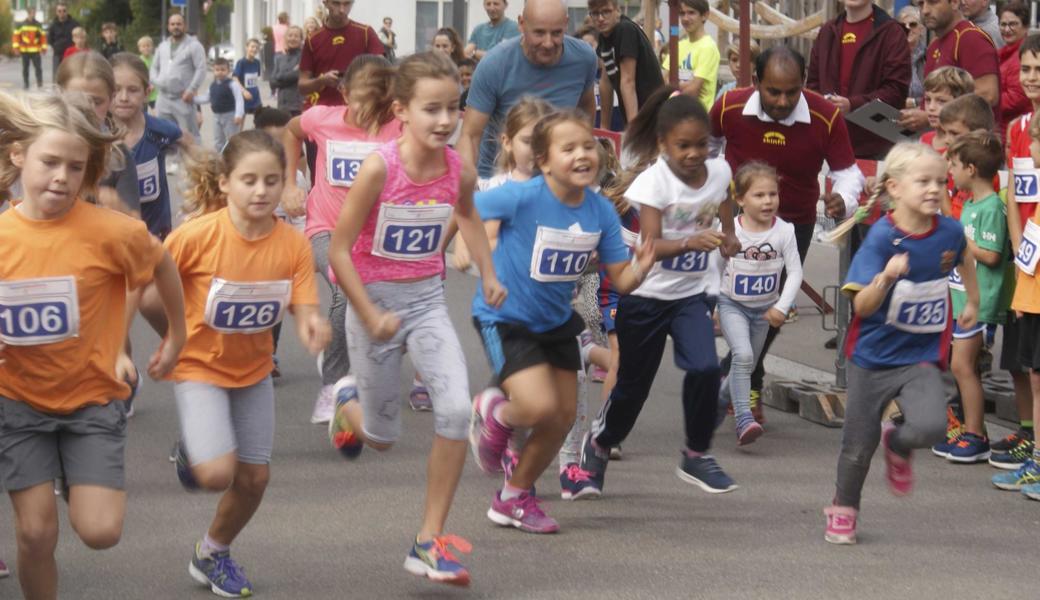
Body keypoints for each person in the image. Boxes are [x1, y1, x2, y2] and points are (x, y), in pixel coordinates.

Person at [0, 90, 187, 600]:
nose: (62, 176)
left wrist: (178, 333)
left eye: (76, 166)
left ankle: (72, 472)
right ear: (19, 155)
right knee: (36, 533)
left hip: (91, 400)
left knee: (101, 532)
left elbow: (162, 264)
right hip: (18, 403)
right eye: (50, 162)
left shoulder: (112, 232)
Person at [326, 52, 504, 584]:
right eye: (432, 109)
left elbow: (468, 215)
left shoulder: (459, 168)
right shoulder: (380, 167)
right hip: (372, 303)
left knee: (454, 412)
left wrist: (489, 273)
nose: (446, 121)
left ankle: (428, 542)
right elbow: (338, 252)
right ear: (402, 110)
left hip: (426, 301)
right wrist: (368, 312)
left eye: (454, 108)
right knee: (381, 437)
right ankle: (345, 403)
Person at [469, 108, 653, 532]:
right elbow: (466, 210)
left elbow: (620, 279)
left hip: (556, 320)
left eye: (588, 145)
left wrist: (643, 265)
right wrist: (486, 267)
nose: (582, 154)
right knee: (536, 406)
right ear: (544, 160)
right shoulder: (522, 196)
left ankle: (512, 498)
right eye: (567, 148)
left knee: (563, 417)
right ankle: (494, 414)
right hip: (505, 316)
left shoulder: (602, 213)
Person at [167, 130, 329, 598]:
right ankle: (193, 450)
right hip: (199, 366)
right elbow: (149, 278)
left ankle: (212, 552)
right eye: (249, 180)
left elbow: (304, 306)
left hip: (253, 371)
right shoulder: (197, 236)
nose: (261, 191)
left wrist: (312, 327)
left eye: (272, 181)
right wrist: (169, 334)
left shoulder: (292, 245)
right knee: (216, 473)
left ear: (285, 184)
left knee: (255, 477)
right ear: (224, 184)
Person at [578, 87, 739, 496]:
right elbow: (649, 246)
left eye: (701, 144)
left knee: (704, 367)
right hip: (646, 298)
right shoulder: (654, 183)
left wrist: (730, 235)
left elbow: (724, 201)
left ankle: (696, 454)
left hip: (688, 297)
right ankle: (600, 441)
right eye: (682, 146)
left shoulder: (719, 171)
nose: (692, 154)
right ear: (664, 144)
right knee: (632, 389)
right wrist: (690, 242)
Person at [823, 142, 980, 544]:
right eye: (923, 181)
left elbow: (964, 256)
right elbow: (861, 304)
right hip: (872, 357)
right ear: (894, 187)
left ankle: (900, 441)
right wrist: (887, 278)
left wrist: (972, 300)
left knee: (930, 426)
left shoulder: (947, 229)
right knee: (858, 446)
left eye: (941, 182)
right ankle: (844, 507)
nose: (934, 189)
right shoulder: (880, 239)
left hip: (922, 354)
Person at [710, 46, 864, 411]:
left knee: (774, 304)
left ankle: (737, 375)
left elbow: (848, 173)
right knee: (738, 300)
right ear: (756, 82)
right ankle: (747, 382)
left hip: (794, 222)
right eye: (773, 91)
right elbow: (707, 148)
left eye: (791, 92)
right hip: (736, 220)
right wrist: (712, 201)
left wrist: (844, 198)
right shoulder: (729, 105)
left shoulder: (826, 116)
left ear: (804, 83)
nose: (782, 101)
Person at [281, 55, 401, 424]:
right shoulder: (322, 119)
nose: (372, 110)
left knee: (369, 303)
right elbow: (290, 130)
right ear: (345, 93)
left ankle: (355, 369)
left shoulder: (396, 128)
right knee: (344, 286)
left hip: (372, 236)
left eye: (382, 102)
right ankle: (333, 386)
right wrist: (290, 183)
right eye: (365, 99)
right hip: (325, 229)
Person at [930, 131, 1011, 466]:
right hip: (962, 299)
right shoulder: (972, 205)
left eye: (955, 165)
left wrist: (962, 243)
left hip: (980, 303)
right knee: (960, 366)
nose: (952, 172)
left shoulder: (991, 207)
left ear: (973, 169)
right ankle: (970, 431)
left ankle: (976, 435)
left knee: (963, 367)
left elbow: (991, 255)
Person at [459, 0, 598, 180]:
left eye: (556, 33)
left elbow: (586, 109)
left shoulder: (584, 58)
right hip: (500, 177)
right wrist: (467, 190)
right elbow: (470, 136)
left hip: (558, 177)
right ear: (522, 24)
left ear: (566, 23)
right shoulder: (494, 65)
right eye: (539, 33)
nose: (548, 43)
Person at [716, 161, 802, 445]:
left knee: (748, 365)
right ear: (740, 199)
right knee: (742, 356)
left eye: (773, 194)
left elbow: (795, 273)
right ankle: (744, 419)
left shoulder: (785, 231)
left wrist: (781, 306)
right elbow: (713, 269)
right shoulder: (730, 230)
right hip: (732, 305)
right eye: (759, 195)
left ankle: (717, 399)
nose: (768, 201)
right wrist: (714, 306)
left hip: (763, 310)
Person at [992, 36, 1040, 471]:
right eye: (1026, 70)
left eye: (1038, 70)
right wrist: (1021, 249)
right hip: (1025, 256)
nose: (1031, 78)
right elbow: (1013, 197)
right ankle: (1028, 432)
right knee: (1020, 355)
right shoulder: (1015, 128)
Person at [452, 97, 554, 269]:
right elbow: (467, 210)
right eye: (528, 141)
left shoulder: (559, 189)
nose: (536, 149)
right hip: (505, 283)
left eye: (543, 142)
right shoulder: (498, 187)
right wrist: (461, 246)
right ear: (507, 142)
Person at [806, 0, 911, 160]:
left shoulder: (891, 32)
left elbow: (896, 91)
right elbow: (813, 85)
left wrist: (853, 105)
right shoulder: (827, 31)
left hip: (875, 147)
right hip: (829, 144)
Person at [112, 52, 192, 239]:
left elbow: (193, 149)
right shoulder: (95, 136)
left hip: (156, 240)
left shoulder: (160, 131)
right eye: (116, 89)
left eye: (133, 90)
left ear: (147, 93)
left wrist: (197, 189)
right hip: (110, 241)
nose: (123, 97)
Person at [57, 51, 142, 218]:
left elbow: (136, 225)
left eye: (96, 102)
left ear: (111, 99)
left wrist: (119, 207)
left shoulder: (117, 155)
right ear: (59, 95)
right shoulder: (38, 145)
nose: (85, 109)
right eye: (75, 100)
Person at [899, 0, 998, 132]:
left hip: (970, 146)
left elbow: (988, 96)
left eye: (933, 2)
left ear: (955, 3)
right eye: (921, 4)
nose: (925, 10)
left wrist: (930, 117)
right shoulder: (934, 45)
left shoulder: (970, 37)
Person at [587, 0, 665, 129]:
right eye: (595, 13)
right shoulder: (604, 37)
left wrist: (633, 128)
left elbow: (628, 81)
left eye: (606, 12)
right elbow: (605, 82)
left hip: (652, 114)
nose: (600, 18)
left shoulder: (625, 29)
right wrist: (604, 127)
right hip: (637, 114)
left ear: (617, 10)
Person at [298, 0, 386, 111]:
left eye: (347, 4)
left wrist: (358, 79)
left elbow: (382, 72)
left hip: (357, 110)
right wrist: (321, 80)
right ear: (325, 3)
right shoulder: (312, 39)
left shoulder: (366, 32)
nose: (342, 10)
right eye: (336, 3)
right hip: (322, 112)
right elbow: (302, 86)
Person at [151, 13, 207, 143]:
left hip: (183, 99)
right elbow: (154, 67)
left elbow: (201, 69)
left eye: (179, 24)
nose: (176, 27)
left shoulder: (194, 45)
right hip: (163, 99)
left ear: (184, 26)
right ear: (168, 26)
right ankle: (170, 162)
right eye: (172, 24)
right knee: (163, 134)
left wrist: (191, 90)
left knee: (188, 135)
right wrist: (156, 81)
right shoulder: (162, 46)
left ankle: (194, 162)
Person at [660, 0, 719, 111]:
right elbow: (662, 81)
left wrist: (673, 86)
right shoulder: (678, 45)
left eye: (691, 13)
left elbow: (693, 90)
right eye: (682, 13)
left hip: (697, 118)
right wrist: (685, 85)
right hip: (674, 116)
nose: (685, 18)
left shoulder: (708, 47)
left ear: (704, 15)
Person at [918, 66, 975, 152]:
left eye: (941, 101)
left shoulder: (964, 147)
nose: (931, 107)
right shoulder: (923, 140)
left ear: (962, 103)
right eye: (928, 100)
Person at [193, 58, 245, 151]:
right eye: (217, 70)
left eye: (223, 69)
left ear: (228, 71)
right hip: (217, 116)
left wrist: (238, 115)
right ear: (213, 71)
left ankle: (235, 158)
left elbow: (239, 100)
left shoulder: (232, 84)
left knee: (233, 139)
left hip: (230, 116)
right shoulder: (212, 85)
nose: (220, 72)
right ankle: (220, 158)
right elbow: (206, 98)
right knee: (218, 140)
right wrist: (192, 99)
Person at [997, 1, 1031, 136]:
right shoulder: (1004, 53)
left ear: (1026, 26)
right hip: (1004, 128)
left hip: (1015, 131)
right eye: (1003, 24)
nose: (1007, 29)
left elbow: (1017, 98)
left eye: (1013, 24)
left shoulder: (1024, 55)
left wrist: (987, 99)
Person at [271, 26, 305, 115]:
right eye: (290, 36)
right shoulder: (279, 57)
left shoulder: (304, 57)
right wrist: (289, 75)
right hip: (282, 105)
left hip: (297, 105)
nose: (292, 38)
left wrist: (280, 76)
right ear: (285, 38)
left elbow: (297, 75)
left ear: (301, 39)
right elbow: (272, 82)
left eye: (296, 36)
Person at [13, 6, 46, 90]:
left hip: (35, 50)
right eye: (32, 12)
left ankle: (40, 83)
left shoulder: (38, 24)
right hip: (25, 50)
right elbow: (16, 36)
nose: (34, 14)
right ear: (28, 13)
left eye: (35, 12)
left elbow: (43, 37)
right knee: (25, 69)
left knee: (38, 68)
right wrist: (16, 48)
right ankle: (26, 83)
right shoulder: (21, 24)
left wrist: (43, 48)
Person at [899, 5, 927, 102]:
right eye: (903, 25)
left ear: (922, 29)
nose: (907, 28)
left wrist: (915, 102)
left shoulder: (930, 56)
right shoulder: (890, 56)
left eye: (913, 24)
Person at [233, 39, 264, 121]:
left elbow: (255, 78)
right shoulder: (241, 62)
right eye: (252, 46)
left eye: (257, 47)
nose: (254, 49)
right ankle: (239, 134)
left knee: (260, 119)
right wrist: (243, 91)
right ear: (246, 47)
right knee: (241, 120)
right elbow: (234, 78)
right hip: (243, 96)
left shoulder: (257, 62)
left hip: (255, 96)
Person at [48, 2, 80, 79]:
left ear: (67, 11)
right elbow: (50, 39)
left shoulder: (74, 24)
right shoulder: (53, 25)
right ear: (56, 12)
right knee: (57, 75)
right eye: (59, 11)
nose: (62, 13)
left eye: (64, 10)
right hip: (58, 54)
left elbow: (79, 35)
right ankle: (57, 90)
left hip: (71, 53)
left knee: (71, 74)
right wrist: (56, 46)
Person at [137, 36, 159, 110]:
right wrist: (147, 85)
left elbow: (159, 73)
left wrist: (154, 84)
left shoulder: (156, 59)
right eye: (143, 46)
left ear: (152, 47)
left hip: (155, 90)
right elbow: (139, 75)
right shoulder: (138, 60)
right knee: (144, 111)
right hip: (144, 89)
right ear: (139, 48)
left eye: (148, 46)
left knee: (157, 110)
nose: (146, 48)